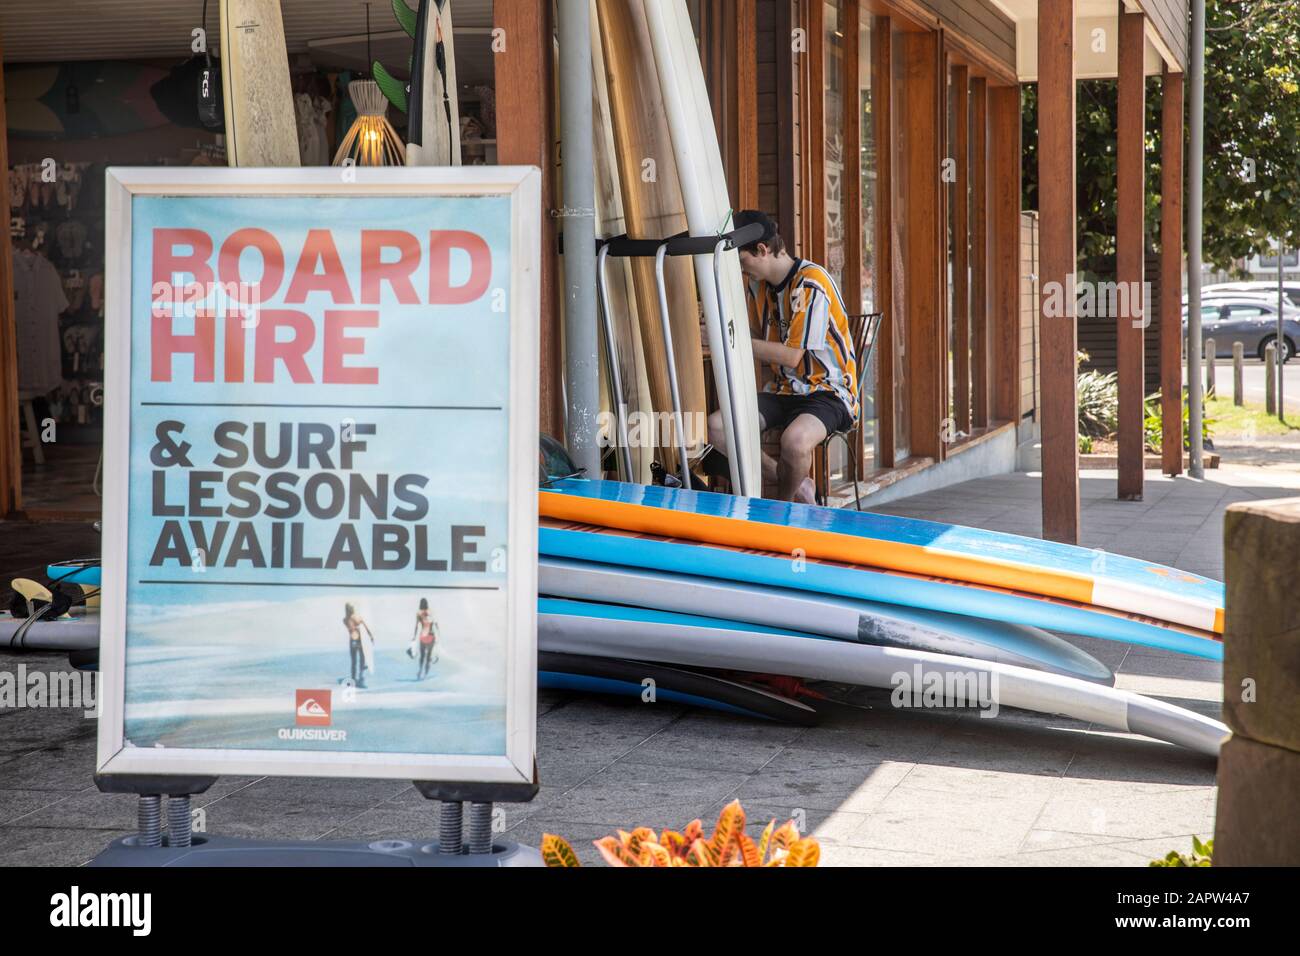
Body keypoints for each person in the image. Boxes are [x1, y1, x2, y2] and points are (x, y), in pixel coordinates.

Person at [708, 209, 858, 503]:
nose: (741, 270)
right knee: (717, 427)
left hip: (828, 391)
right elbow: (751, 334)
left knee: (796, 441)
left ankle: (785, 509)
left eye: (742, 261)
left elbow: (791, 357)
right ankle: (794, 484)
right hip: (783, 390)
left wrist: (729, 339)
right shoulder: (758, 287)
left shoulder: (810, 282)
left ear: (762, 249)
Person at [343, 602, 375, 688]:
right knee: (362, 661)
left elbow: (350, 628)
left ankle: (352, 680)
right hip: (359, 641)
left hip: (352, 641)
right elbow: (365, 627)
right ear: (352, 609)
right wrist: (371, 636)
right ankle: (361, 680)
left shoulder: (345, 619)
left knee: (353, 662)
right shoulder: (356, 617)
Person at [411, 597, 439, 680]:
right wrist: (438, 636)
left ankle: (420, 671)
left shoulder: (418, 614)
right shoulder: (431, 612)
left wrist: (414, 636)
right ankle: (425, 674)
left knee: (422, 656)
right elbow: (436, 625)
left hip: (423, 637)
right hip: (431, 636)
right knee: (428, 657)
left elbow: (416, 626)